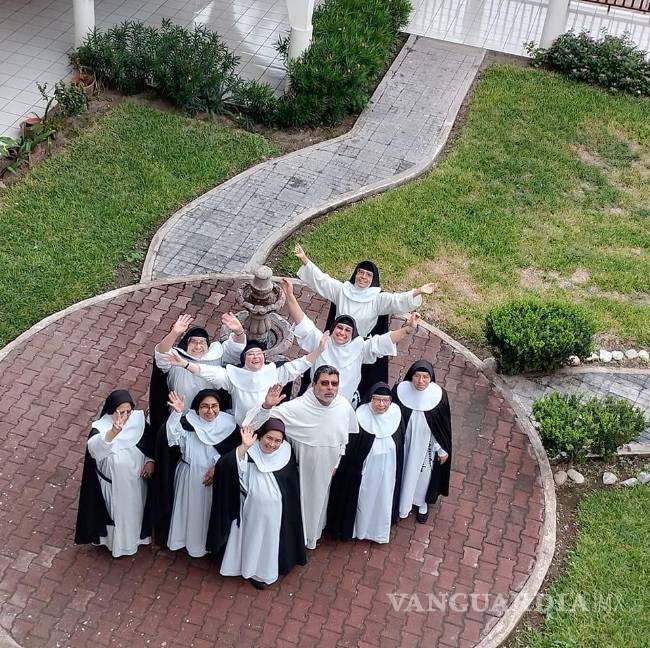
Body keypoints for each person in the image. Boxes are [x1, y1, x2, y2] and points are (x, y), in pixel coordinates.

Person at [244, 366, 358, 549]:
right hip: (301, 468)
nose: (330, 388)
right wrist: (267, 406)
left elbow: (343, 436)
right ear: (313, 384)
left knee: (319, 502)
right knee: (300, 503)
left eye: (334, 384)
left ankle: (312, 536)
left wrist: (337, 461)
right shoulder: (296, 407)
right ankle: (297, 541)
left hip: (327, 467)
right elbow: (250, 424)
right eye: (324, 383)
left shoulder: (343, 405)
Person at [294, 244, 435, 391]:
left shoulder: (377, 298)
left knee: (353, 380)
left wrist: (418, 291)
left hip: (359, 346)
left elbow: (396, 300)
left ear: (373, 279)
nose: (363, 277)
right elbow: (322, 280)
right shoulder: (342, 290)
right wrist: (304, 259)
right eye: (360, 272)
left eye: (368, 275)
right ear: (355, 274)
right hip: (335, 341)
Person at [280, 278, 420, 404]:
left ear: (353, 334)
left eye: (348, 330)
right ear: (333, 329)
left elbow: (384, 341)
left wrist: (407, 329)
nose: (342, 333)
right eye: (339, 328)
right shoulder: (321, 341)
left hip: (341, 406)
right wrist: (290, 295)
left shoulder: (360, 348)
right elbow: (302, 321)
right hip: (313, 401)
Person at [208, 420, 306, 590]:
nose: (272, 444)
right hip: (250, 510)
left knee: (269, 541)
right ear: (261, 436)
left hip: (276, 512)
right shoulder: (248, 451)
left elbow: (290, 484)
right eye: (269, 438)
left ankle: (264, 572)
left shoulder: (285, 453)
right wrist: (244, 447)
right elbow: (227, 466)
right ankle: (248, 568)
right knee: (252, 539)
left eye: (277, 440)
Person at [161, 336, 327, 425]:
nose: (255, 357)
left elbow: (299, 365)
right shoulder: (233, 376)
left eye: (259, 353)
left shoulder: (274, 373)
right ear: (244, 359)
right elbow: (208, 372)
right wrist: (185, 364)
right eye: (251, 354)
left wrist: (319, 350)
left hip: (266, 426)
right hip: (239, 427)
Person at [75, 390, 155, 557]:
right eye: (120, 412)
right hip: (114, 487)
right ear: (112, 410)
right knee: (117, 516)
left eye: (128, 412)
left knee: (135, 513)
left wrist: (150, 461)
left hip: (136, 484)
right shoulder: (100, 429)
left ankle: (136, 540)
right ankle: (117, 546)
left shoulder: (138, 422)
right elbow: (95, 449)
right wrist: (113, 432)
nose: (125, 416)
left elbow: (149, 444)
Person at [164, 389, 240, 558]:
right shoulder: (188, 424)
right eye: (205, 406)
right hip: (189, 475)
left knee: (207, 512)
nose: (210, 411)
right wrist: (177, 413)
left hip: (213, 478)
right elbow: (172, 437)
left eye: (214, 406)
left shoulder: (228, 425)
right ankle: (184, 541)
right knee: (189, 510)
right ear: (197, 408)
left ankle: (205, 544)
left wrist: (218, 467)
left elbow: (233, 453)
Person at [326, 382, 404, 543]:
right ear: (370, 399)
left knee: (383, 498)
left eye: (385, 401)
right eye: (377, 400)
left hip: (388, 472)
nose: (381, 404)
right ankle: (358, 529)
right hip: (363, 473)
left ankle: (377, 531)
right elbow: (351, 450)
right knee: (362, 499)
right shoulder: (360, 417)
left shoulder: (396, 415)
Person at [149, 312, 246, 433]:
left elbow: (236, 349)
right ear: (186, 344)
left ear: (208, 345)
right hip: (181, 416)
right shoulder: (176, 359)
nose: (198, 346)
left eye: (202, 342)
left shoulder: (216, 356)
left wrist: (239, 332)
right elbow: (161, 353)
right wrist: (174, 333)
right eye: (193, 342)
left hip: (209, 415)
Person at [393, 360, 452, 524]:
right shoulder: (399, 391)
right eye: (417, 376)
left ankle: (421, 503)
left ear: (431, 378)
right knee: (403, 472)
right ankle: (400, 503)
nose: (421, 381)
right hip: (404, 444)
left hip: (426, 446)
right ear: (411, 376)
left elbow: (442, 427)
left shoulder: (439, 396)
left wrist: (441, 449)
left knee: (424, 476)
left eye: (425, 377)